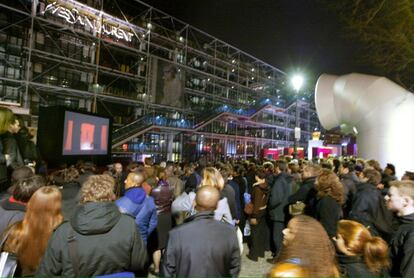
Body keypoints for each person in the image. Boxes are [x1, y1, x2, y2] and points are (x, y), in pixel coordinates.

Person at [37, 175, 148, 276]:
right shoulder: (128, 224)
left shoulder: (64, 231)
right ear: (112, 196)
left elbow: (47, 272)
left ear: (83, 196)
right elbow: (140, 263)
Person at [160, 186, 241, 277]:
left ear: (194, 203)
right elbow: (234, 267)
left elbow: (167, 270)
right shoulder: (229, 232)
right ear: (217, 205)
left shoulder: (176, 234)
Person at [2, 186, 63, 276]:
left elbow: (8, 262)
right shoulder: (64, 233)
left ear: (31, 203)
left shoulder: (16, 230)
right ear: (57, 207)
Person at [116, 171, 157, 244]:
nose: (125, 181)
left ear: (134, 184)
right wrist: (144, 234)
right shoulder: (150, 200)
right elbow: (153, 223)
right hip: (142, 240)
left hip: (125, 242)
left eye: (127, 180)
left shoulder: (119, 203)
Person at [385, 180, 414, 277]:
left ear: (406, 201)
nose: (385, 197)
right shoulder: (397, 221)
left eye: (390, 195)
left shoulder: (411, 232)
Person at [150, 168, 173, 275]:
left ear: (157, 177)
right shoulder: (171, 188)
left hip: (157, 216)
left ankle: (156, 269)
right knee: (165, 242)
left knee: (157, 245)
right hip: (168, 216)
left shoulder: (154, 190)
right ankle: (166, 266)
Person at [267, 160, 292, 258]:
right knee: (282, 235)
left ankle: (278, 256)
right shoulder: (288, 178)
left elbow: (275, 198)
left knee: (277, 236)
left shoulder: (279, 180)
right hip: (284, 210)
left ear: (277, 168)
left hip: (278, 212)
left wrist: (270, 205)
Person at [349, 168, 383, 236]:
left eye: (362, 174)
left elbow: (356, 214)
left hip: (364, 228)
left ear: (367, 178)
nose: (359, 175)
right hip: (370, 227)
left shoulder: (364, 192)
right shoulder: (373, 190)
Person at [247, 168, 269, 261]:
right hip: (264, 210)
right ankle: (260, 252)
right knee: (260, 232)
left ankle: (254, 255)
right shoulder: (266, 185)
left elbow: (256, 203)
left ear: (257, 177)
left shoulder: (257, 188)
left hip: (257, 212)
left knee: (254, 233)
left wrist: (254, 216)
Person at [314, 169, 344, 238]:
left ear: (323, 182)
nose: (315, 182)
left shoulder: (327, 201)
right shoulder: (332, 196)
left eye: (316, 179)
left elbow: (328, 227)